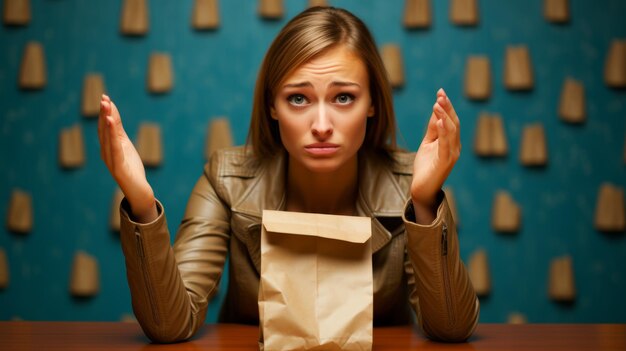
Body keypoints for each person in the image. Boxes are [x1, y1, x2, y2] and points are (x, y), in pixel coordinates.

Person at [98, 6, 479, 344]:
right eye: (299, 98)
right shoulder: (227, 179)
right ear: (272, 107)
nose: (322, 125)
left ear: (373, 103)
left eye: (343, 97)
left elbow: (451, 329)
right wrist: (142, 202)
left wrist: (425, 204)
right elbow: (169, 325)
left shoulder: (408, 184)